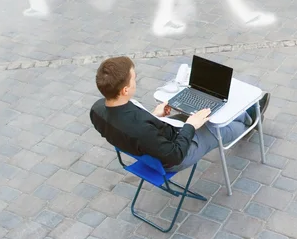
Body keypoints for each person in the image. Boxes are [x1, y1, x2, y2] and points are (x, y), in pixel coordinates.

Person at [89, 56, 270, 172]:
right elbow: (175, 155)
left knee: (205, 113)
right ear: (125, 90)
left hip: (156, 142)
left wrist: (155, 116)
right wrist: (191, 126)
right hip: (174, 157)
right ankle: (251, 119)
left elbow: (136, 130)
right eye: (134, 78)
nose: (136, 81)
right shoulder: (141, 129)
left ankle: (245, 113)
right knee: (219, 126)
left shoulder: (97, 110)